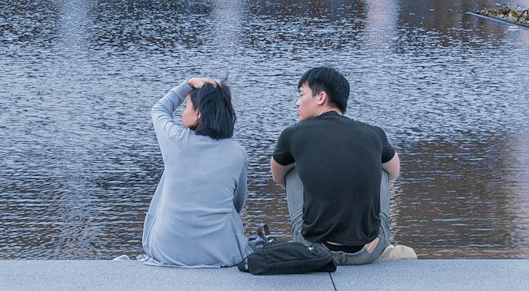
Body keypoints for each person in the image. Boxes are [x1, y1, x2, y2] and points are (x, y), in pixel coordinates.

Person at [270, 66, 402, 266]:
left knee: (291, 169)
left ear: (321, 97)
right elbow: (394, 172)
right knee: (383, 166)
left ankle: (316, 231)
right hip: (369, 251)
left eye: (301, 94)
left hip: (315, 251)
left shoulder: (293, 134)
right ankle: (366, 233)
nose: (297, 102)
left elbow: (277, 176)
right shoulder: (374, 133)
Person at [143, 76, 248, 267]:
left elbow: (159, 109)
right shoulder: (238, 153)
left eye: (186, 106)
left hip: (167, 251)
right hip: (221, 253)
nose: (183, 111)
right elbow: (237, 202)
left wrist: (188, 83)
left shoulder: (175, 140)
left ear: (198, 113)